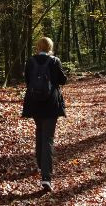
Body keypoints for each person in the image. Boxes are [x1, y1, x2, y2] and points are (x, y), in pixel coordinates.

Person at [21, 37, 67, 192]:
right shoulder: (55, 61)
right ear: (50, 47)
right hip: (51, 104)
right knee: (48, 138)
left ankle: (41, 165)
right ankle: (46, 177)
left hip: (34, 102)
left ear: (38, 47)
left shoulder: (30, 61)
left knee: (39, 132)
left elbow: (27, 80)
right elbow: (62, 80)